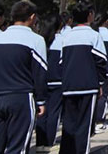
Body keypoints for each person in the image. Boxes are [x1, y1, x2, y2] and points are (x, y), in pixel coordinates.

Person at [0, 0, 48, 152]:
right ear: (32, 17)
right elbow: (40, 72)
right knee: (17, 146)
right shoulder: (35, 40)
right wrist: (41, 100)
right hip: (19, 97)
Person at [60, 1, 107, 154]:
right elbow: (101, 62)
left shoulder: (66, 37)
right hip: (88, 86)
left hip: (68, 87)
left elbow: (61, 62)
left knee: (68, 126)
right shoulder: (94, 36)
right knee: (84, 127)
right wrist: (100, 83)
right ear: (89, 15)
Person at [35, 14, 64, 152]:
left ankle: (39, 142)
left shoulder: (40, 40)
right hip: (58, 81)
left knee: (41, 112)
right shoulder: (63, 40)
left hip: (42, 81)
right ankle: (49, 142)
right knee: (54, 112)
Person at [93, 13, 108, 135]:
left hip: (93, 71)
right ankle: (100, 121)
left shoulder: (94, 33)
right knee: (105, 96)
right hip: (107, 70)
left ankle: (94, 120)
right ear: (106, 21)